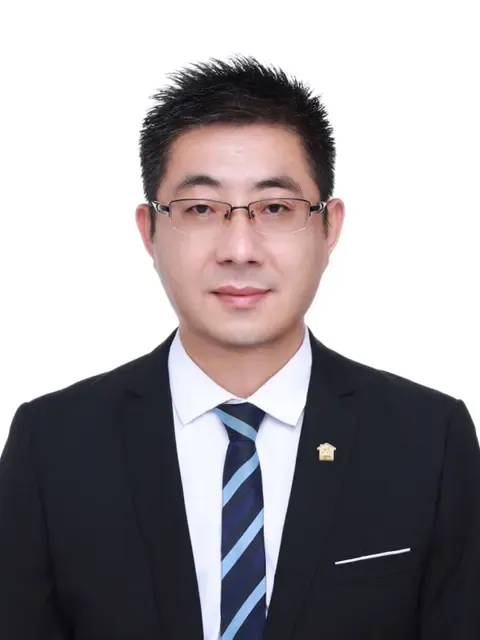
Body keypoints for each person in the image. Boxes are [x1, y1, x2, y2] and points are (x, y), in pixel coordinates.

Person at [1, 54, 479, 640]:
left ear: (329, 227)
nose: (240, 249)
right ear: (149, 230)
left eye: (275, 208)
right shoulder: (53, 445)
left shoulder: (431, 440)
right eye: (201, 209)